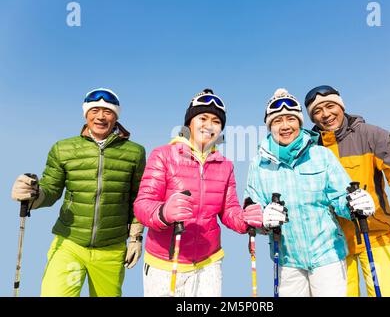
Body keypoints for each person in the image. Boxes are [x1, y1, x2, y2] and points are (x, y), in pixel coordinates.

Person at [133, 88, 273, 297]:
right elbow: (142, 204)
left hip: (208, 264)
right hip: (165, 264)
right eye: (203, 118)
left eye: (216, 121)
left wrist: (245, 219)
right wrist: (164, 212)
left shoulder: (225, 165)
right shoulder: (163, 155)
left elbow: (229, 211)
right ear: (189, 122)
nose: (209, 126)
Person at [11, 88, 146, 297]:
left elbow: (138, 196)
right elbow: (52, 189)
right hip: (69, 243)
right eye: (95, 110)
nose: (100, 116)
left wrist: (135, 238)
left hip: (111, 248)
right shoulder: (63, 149)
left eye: (107, 112)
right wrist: (33, 195)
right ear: (86, 114)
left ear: (116, 117)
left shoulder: (135, 152)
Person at [304, 85, 390, 297]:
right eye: (317, 111)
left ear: (340, 106)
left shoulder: (370, 135)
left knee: (386, 293)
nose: (326, 114)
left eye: (330, 106)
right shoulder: (311, 149)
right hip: (334, 246)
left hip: (375, 234)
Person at [244, 88, 376, 297]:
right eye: (278, 121)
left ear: (299, 122)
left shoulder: (321, 155)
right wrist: (263, 218)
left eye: (291, 119)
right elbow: (251, 209)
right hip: (287, 260)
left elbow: (341, 197)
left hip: (328, 256)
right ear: (270, 126)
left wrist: (354, 204)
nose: (285, 126)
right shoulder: (259, 165)